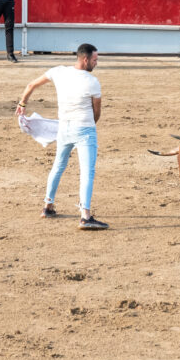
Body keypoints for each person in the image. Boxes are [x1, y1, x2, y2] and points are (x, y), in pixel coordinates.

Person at [15, 43, 108, 230]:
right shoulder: (92, 82)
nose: (96, 63)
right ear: (85, 59)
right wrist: (88, 127)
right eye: (95, 60)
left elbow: (31, 84)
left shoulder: (58, 72)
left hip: (64, 128)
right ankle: (85, 215)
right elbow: (96, 112)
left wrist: (22, 103)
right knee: (87, 172)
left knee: (58, 166)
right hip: (84, 129)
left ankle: (47, 206)